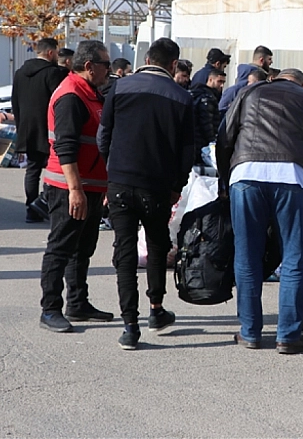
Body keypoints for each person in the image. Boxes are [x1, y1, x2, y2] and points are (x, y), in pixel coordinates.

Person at [218, 67, 303, 353]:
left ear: (274, 78)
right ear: (302, 84)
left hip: (245, 174)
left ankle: (250, 332)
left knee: (247, 256)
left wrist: (225, 182)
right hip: (292, 178)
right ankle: (288, 336)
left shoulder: (248, 92)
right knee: (294, 257)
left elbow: (224, 139)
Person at [97, 37, 194, 350]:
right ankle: (156, 310)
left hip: (121, 182)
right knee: (156, 244)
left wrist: (113, 170)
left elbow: (104, 135)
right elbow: (186, 150)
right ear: (173, 64)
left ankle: (129, 325)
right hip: (158, 185)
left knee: (124, 252)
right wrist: (176, 186)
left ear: (147, 57)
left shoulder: (119, 88)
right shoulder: (181, 97)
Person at [38, 40, 114, 333]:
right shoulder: (71, 95)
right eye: (105, 64)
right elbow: (65, 147)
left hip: (90, 186)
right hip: (69, 187)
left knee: (83, 248)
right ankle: (50, 308)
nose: (108, 70)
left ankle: (78, 302)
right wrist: (75, 189)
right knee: (61, 247)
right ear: (89, 66)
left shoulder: (91, 93)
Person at [11, 38, 69, 223]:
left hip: (28, 128)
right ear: (50, 53)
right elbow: (59, 102)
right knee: (56, 169)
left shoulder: (20, 73)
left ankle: (31, 208)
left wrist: (21, 127)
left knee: (33, 170)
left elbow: (15, 102)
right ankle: (46, 205)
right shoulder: (52, 74)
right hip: (49, 129)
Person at [218, 45, 273, 113]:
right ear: (261, 60)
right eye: (269, 59)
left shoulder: (232, 90)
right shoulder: (235, 90)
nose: (271, 62)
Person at [190, 69, 226, 165]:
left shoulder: (195, 93)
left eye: (223, 82)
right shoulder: (208, 97)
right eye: (219, 81)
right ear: (210, 80)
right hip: (202, 142)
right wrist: (212, 141)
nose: (222, 85)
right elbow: (207, 121)